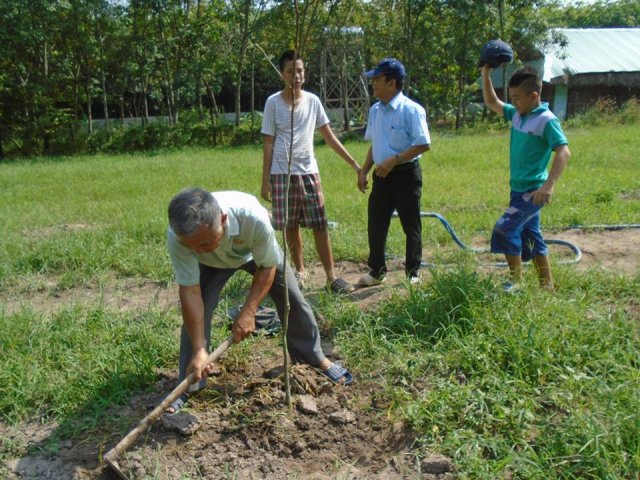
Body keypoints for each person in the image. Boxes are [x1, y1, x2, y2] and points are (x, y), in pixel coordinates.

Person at [165, 188, 353, 414]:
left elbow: (268, 265)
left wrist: (248, 311)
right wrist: (199, 348)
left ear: (223, 220)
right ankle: (190, 381)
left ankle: (314, 359)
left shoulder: (252, 216)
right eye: (191, 247)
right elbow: (190, 292)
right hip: (212, 265)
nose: (196, 250)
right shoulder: (181, 236)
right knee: (196, 315)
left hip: (258, 257)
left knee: (292, 298)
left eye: (203, 244)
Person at [261, 50, 361, 294]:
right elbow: (269, 143)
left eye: (300, 71)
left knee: (320, 224)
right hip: (281, 174)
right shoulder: (273, 103)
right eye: (290, 71)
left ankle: (331, 277)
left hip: (308, 173)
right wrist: (265, 181)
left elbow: (328, 136)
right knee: (289, 226)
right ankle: (301, 272)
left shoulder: (313, 101)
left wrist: (354, 164)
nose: (296, 76)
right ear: (281, 74)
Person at [481, 65, 571, 292]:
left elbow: (563, 151)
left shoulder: (546, 120)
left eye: (517, 98)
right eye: (511, 98)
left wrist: (549, 185)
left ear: (534, 96)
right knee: (532, 237)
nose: (514, 103)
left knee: (505, 228)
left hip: (532, 192)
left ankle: (516, 281)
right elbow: (493, 103)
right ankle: (547, 285)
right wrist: (485, 75)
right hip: (517, 189)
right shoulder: (518, 115)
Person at [357, 58, 431, 286]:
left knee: (411, 225)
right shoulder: (375, 110)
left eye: (377, 79)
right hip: (381, 176)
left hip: (406, 175)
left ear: (392, 83)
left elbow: (423, 144)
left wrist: (396, 159)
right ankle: (377, 270)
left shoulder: (411, 110)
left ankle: (412, 273)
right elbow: (375, 143)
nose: (373, 84)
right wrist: (364, 170)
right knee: (376, 223)